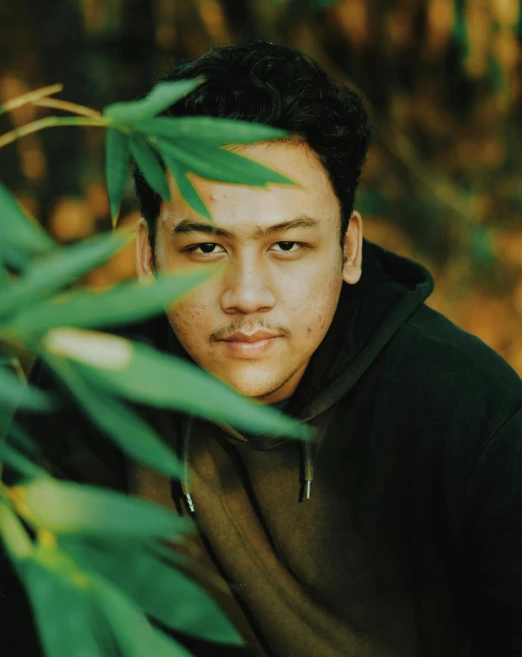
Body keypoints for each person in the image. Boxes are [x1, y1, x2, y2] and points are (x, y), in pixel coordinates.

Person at [2, 39, 522, 656]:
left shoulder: (468, 414)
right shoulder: (93, 389)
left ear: (349, 250)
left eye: (287, 247)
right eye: (205, 249)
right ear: (147, 258)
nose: (247, 296)